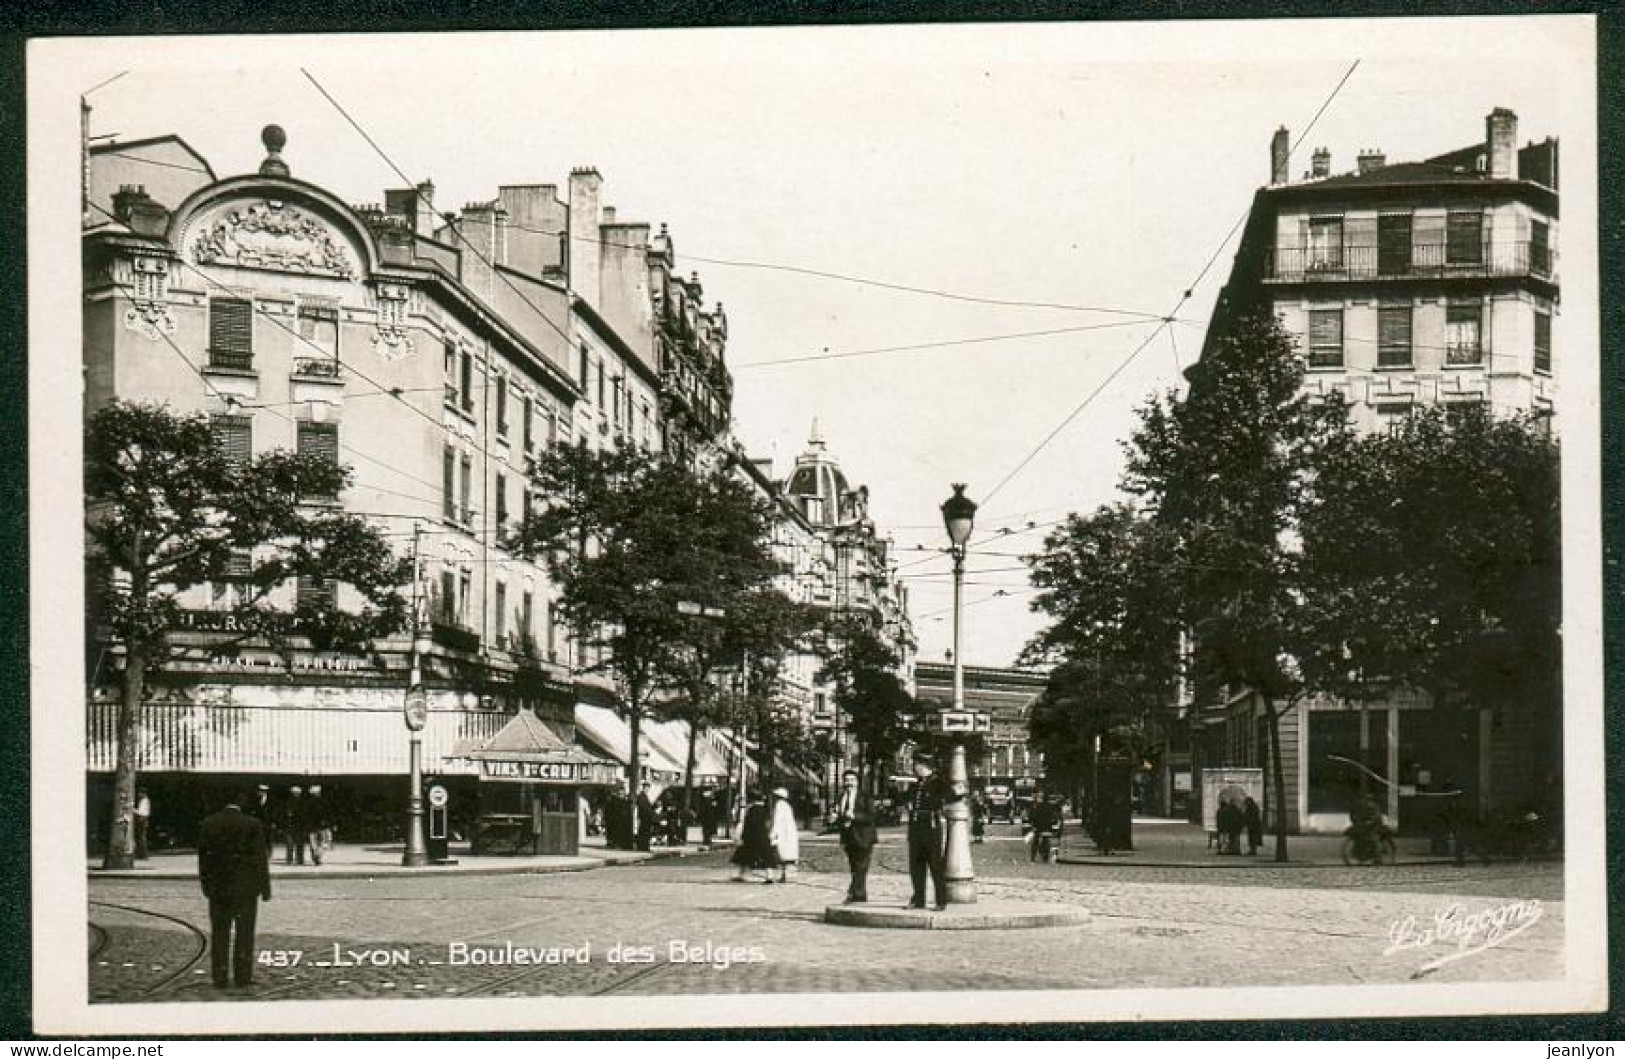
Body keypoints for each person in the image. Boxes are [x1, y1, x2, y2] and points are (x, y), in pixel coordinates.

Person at [197, 788, 272, 989]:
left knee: (220, 933)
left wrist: (206, 885)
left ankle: (219, 977)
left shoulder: (208, 824)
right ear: (241, 800)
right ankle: (242, 976)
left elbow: (204, 860)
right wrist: (265, 888)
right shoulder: (253, 824)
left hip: (219, 888)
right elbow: (260, 860)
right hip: (246, 889)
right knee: (245, 934)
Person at [904, 751, 963, 910]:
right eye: (916, 765)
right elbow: (906, 800)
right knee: (916, 866)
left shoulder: (939, 783)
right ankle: (918, 899)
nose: (916, 768)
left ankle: (940, 901)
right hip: (915, 828)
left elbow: (955, 796)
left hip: (931, 828)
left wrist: (941, 805)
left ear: (926, 766)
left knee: (936, 866)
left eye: (918, 765)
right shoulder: (916, 785)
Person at [832, 770, 877, 903]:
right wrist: (834, 818)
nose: (849, 783)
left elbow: (872, 816)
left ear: (857, 782)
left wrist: (855, 816)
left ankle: (854, 893)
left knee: (861, 866)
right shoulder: (841, 797)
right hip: (848, 837)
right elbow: (840, 814)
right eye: (846, 780)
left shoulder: (865, 796)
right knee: (854, 866)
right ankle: (861, 895)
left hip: (864, 836)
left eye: (852, 780)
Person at [730, 790, 779, 882]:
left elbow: (750, 824)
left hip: (753, 837)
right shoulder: (762, 809)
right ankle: (768, 875)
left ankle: (768, 876)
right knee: (763, 855)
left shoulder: (754, 809)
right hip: (761, 836)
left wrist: (743, 835)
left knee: (746, 855)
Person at [769, 786, 800, 882]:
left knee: (781, 853)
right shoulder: (787, 805)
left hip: (783, 833)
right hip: (789, 832)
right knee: (786, 854)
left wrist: (773, 833)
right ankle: (785, 874)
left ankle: (785, 874)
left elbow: (777, 820)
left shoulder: (779, 805)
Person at [301, 785, 329, 866]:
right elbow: (327, 813)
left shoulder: (308, 803)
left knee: (314, 844)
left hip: (312, 827)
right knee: (322, 843)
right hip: (320, 826)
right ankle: (318, 857)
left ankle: (316, 857)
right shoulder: (323, 802)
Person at [280, 787, 307, 865]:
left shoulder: (302, 803)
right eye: (294, 792)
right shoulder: (288, 802)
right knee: (291, 844)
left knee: (298, 844)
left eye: (297, 793)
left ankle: (298, 859)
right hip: (291, 826)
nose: (296, 794)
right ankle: (293, 859)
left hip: (297, 826)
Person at [634, 783, 656, 852]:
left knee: (645, 832)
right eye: (646, 788)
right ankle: (643, 847)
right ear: (643, 788)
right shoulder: (641, 796)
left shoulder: (645, 796)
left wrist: (653, 808)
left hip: (646, 818)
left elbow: (648, 807)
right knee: (644, 832)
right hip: (644, 817)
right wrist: (650, 811)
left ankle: (644, 846)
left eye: (648, 788)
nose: (647, 789)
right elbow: (643, 807)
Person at [133, 789, 152, 860]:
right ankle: (141, 854)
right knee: (140, 837)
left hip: (142, 819)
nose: (138, 794)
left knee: (141, 837)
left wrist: (133, 810)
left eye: (140, 793)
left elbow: (141, 812)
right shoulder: (144, 801)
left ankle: (143, 854)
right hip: (142, 819)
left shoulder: (144, 801)